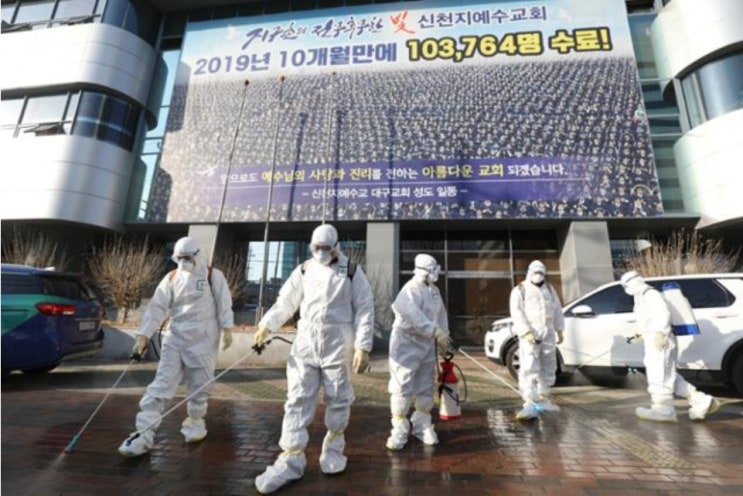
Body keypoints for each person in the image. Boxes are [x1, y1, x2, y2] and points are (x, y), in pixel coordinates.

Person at [252, 224, 374, 494]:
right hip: (306, 343)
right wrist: (266, 325)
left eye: (325, 249)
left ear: (336, 247)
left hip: (338, 344)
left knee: (339, 399)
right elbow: (287, 301)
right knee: (297, 399)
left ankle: (333, 451)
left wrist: (362, 346)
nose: (320, 253)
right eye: (316, 248)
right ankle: (290, 460)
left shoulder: (352, 271)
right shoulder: (304, 269)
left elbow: (365, 308)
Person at [118, 236, 234, 457]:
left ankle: (195, 421)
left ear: (198, 255)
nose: (183, 262)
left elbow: (224, 303)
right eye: (179, 258)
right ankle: (143, 432)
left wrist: (227, 328)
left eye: (187, 257)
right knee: (161, 383)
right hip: (176, 336)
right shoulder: (171, 278)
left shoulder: (213, 276)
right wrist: (143, 335)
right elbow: (157, 307)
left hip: (204, 338)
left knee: (200, 384)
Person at [620, 271, 719, 422]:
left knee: (659, 374)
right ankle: (701, 400)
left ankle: (663, 410)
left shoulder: (650, 294)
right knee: (668, 375)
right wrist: (638, 335)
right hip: (654, 339)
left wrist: (661, 332)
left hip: (661, 341)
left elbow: (663, 314)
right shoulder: (641, 297)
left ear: (632, 283)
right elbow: (647, 321)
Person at [386, 253, 451, 451]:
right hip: (406, 343)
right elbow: (411, 314)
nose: (435, 272)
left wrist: (444, 337)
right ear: (423, 270)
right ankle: (399, 428)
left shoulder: (434, 291)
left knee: (425, 385)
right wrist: (434, 331)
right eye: (432, 268)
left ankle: (422, 425)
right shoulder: (410, 289)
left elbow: (440, 315)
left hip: (426, 345)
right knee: (401, 386)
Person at [509, 260, 565, 420]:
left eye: (541, 272)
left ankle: (544, 398)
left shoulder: (549, 289)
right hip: (531, 334)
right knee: (530, 366)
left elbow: (557, 309)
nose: (538, 275)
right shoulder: (520, 289)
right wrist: (526, 332)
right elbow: (517, 312)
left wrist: (559, 329)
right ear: (529, 272)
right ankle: (529, 402)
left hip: (548, 332)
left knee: (548, 364)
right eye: (535, 272)